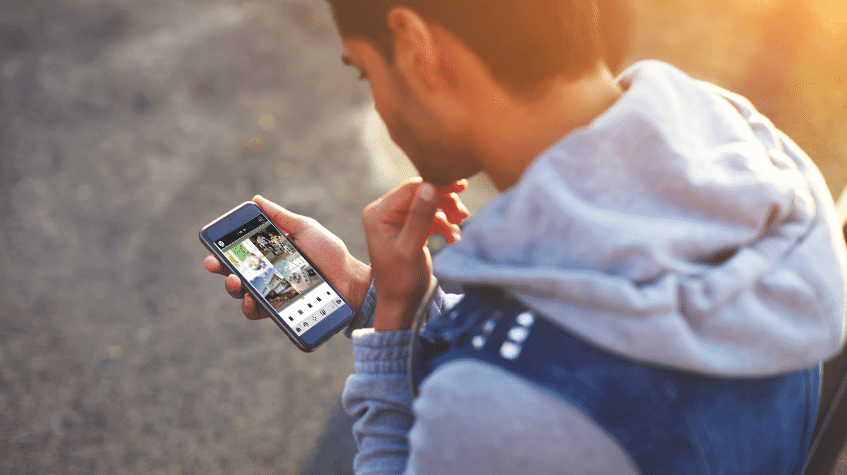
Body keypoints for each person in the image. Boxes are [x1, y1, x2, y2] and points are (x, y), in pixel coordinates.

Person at [205, 0, 847, 473]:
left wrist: (393, 329)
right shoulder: (752, 158)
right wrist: (373, 293)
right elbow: (605, 321)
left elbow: (530, 386)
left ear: (415, 43)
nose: (377, 100)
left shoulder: (500, 410)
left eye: (364, 73)